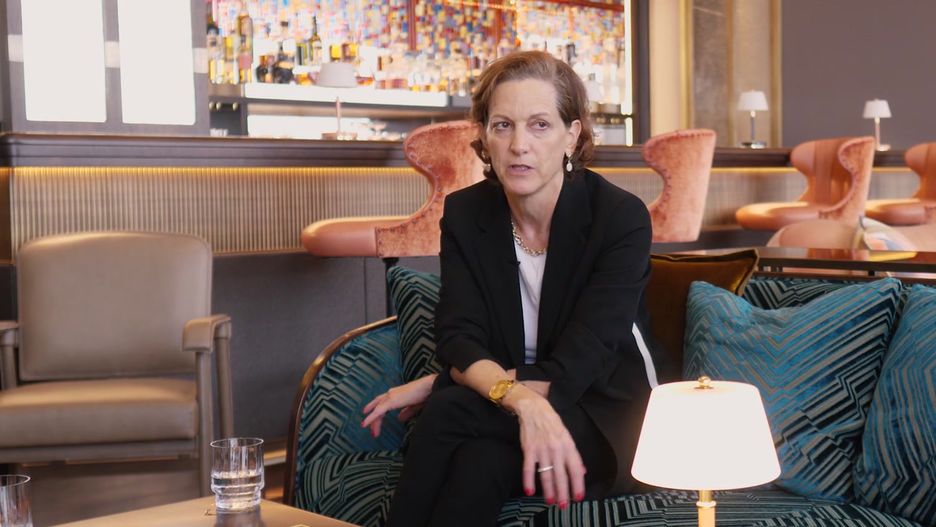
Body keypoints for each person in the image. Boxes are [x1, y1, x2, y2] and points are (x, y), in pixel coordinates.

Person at [361, 50, 659, 527]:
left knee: (450, 409)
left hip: (609, 413)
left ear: (572, 135)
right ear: (484, 136)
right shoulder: (467, 214)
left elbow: (579, 364)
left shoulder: (619, 218)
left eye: (540, 125)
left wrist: (447, 382)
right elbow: (460, 338)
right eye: (503, 125)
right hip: (512, 404)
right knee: (479, 465)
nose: (519, 145)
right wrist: (521, 402)